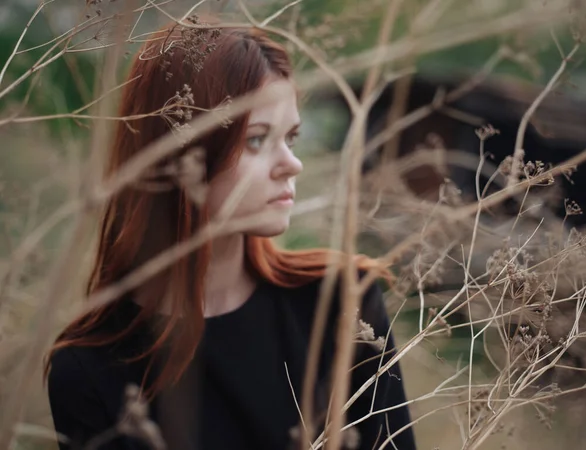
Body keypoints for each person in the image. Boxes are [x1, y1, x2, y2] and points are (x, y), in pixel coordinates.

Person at [44, 15, 417, 450]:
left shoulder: (342, 302)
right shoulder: (90, 368)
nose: (290, 164)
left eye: (290, 138)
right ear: (177, 153)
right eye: (257, 140)